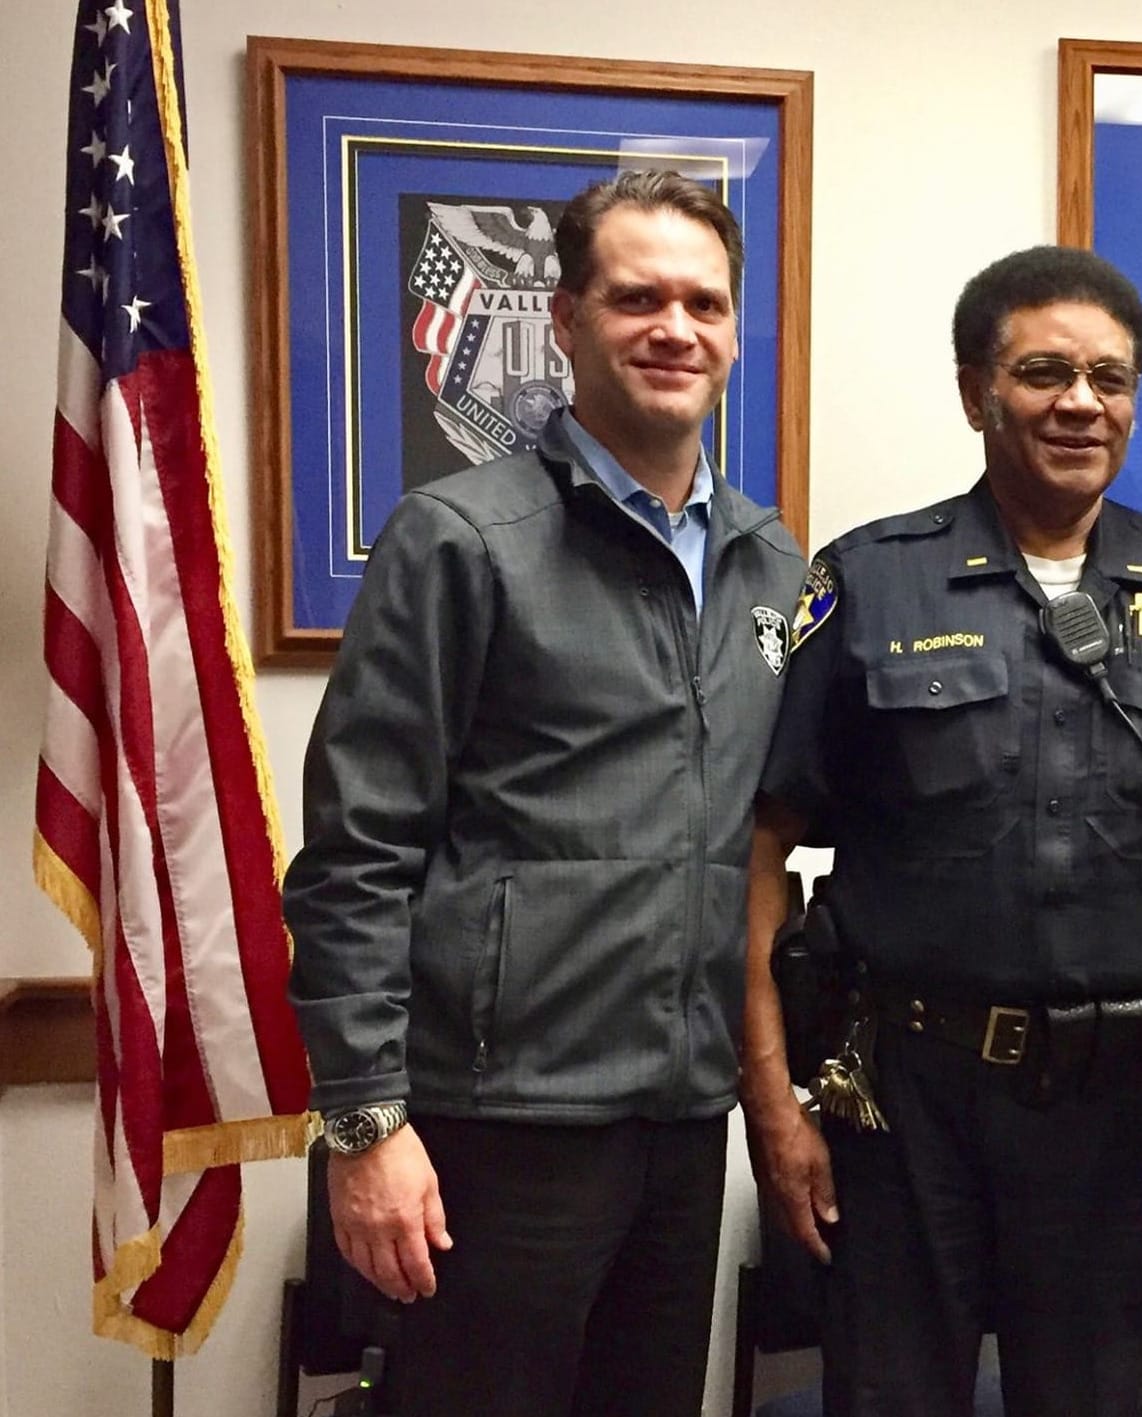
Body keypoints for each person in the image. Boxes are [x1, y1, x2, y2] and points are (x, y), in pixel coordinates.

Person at [739, 245, 1142, 1417]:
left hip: (1124, 1105)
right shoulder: (869, 581)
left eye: (1108, 377)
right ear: (975, 393)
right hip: (903, 1101)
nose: (1079, 402)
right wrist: (770, 1107)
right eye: (1043, 372)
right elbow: (755, 852)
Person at [283, 169, 804, 1417]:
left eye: (704, 304)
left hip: (681, 1115)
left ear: (736, 335)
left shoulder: (769, 560)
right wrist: (363, 1125)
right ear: (565, 320)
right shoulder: (459, 537)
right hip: (497, 1121)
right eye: (637, 298)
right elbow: (357, 852)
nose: (674, 328)